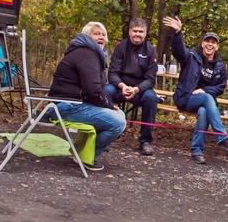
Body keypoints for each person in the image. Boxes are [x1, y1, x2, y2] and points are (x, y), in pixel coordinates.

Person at [48, 22, 127, 171]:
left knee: (120, 115)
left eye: (103, 34)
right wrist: (108, 105)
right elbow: (93, 90)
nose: (101, 37)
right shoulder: (87, 54)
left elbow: (97, 89)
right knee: (118, 122)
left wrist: (110, 105)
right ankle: (87, 157)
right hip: (66, 106)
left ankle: (79, 152)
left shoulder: (91, 54)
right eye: (96, 34)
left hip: (74, 104)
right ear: (87, 36)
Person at [162, 16, 228, 164]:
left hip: (204, 102)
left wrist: (204, 90)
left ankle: (197, 152)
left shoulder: (220, 67)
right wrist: (178, 33)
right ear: (203, 43)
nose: (210, 44)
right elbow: (178, 50)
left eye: (213, 42)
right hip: (185, 98)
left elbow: (220, 87)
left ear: (217, 46)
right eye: (207, 41)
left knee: (204, 109)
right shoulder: (191, 57)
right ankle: (222, 137)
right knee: (208, 99)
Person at [105, 18, 159, 156]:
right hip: (119, 87)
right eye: (135, 31)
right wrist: (122, 86)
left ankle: (145, 141)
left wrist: (136, 89)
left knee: (151, 98)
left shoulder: (151, 50)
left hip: (140, 90)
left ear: (145, 33)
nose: (138, 34)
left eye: (141, 31)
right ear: (129, 31)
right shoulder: (120, 47)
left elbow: (150, 79)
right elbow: (112, 73)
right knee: (105, 91)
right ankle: (106, 135)